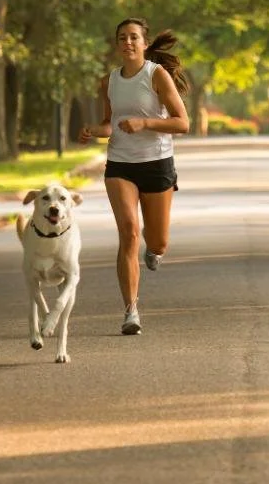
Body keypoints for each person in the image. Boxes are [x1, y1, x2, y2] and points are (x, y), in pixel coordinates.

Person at [78, 17, 190, 335]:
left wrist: (145, 124)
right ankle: (131, 311)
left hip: (157, 163)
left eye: (133, 38)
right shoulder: (109, 81)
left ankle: (154, 251)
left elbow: (183, 123)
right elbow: (109, 123)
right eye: (121, 38)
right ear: (117, 45)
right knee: (128, 232)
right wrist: (94, 131)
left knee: (157, 241)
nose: (127, 42)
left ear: (144, 43)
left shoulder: (157, 75)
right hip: (120, 164)